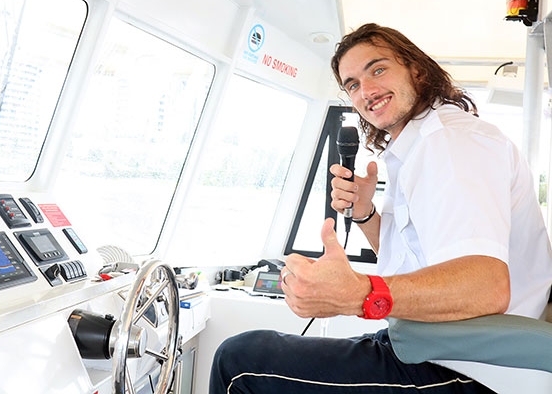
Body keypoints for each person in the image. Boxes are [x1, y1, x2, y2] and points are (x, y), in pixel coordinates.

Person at [209, 23, 552, 393]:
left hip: (474, 370)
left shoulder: (452, 143)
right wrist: (365, 213)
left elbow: (485, 287)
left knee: (239, 362)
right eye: (353, 84)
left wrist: (357, 293)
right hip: (427, 345)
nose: (366, 91)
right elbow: (419, 263)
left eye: (377, 69)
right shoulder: (421, 147)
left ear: (417, 70)